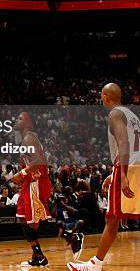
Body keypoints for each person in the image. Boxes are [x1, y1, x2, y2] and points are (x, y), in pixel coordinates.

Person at [68, 83, 140, 270]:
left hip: (129, 169)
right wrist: (113, 173)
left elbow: (124, 143)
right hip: (136, 166)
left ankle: (95, 264)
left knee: (112, 218)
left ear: (106, 97)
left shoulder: (115, 113)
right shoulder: (132, 115)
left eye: (101, 96)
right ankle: (96, 263)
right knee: (115, 217)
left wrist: (122, 174)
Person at [12, 112, 83, 268]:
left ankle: (70, 235)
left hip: (36, 183)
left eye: (20, 118)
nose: (16, 120)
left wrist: (21, 173)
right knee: (24, 218)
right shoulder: (26, 140)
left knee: (35, 220)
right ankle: (38, 256)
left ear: (28, 123)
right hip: (29, 183)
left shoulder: (29, 137)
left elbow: (39, 160)